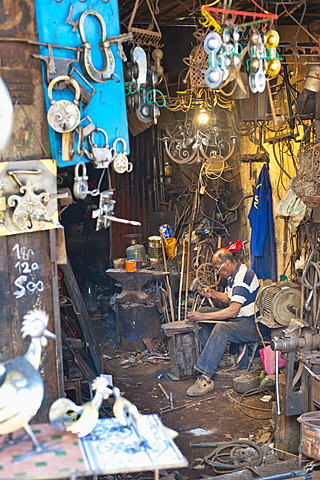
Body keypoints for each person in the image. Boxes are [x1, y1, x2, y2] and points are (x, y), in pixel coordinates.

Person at [186, 248, 261, 397]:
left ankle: (205, 377)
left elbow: (233, 310)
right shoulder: (234, 276)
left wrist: (201, 317)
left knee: (221, 328)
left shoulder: (243, 276)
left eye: (217, 268)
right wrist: (212, 293)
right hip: (239, 320)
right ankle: (211, 359)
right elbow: (230, 298)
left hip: (251, 325)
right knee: (205, 311)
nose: (217, 272)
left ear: (227, 263)